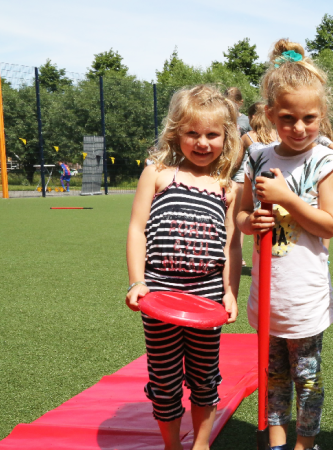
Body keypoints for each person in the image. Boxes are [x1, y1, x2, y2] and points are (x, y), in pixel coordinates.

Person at [235, 39, 333, 450]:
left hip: (304, 296)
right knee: (273, 373)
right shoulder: (257, 157)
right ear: (269, 115)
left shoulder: (325, 161)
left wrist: (287, 199)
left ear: (321, 115)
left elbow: (329, 225)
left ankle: (306, 443)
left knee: (307, 376)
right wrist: (251, 222)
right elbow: (241, 215)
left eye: (309, 118)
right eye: (288, 118)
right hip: (267, 294)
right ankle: (278, 440)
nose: (299, 128)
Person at [125, 85, 242, 450]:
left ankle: (201, 444)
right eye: (192, 133)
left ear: (226, 137)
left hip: (207, 296)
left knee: (205, 376)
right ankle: (172, 445)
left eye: (212, 134)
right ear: (177, 132)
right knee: (164, 378)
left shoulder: (227, 188)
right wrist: (136, 282)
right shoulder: (158, 173)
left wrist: (230, 293)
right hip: (160, 293)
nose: (202, 142)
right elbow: (137, 229)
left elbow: (232, 245)